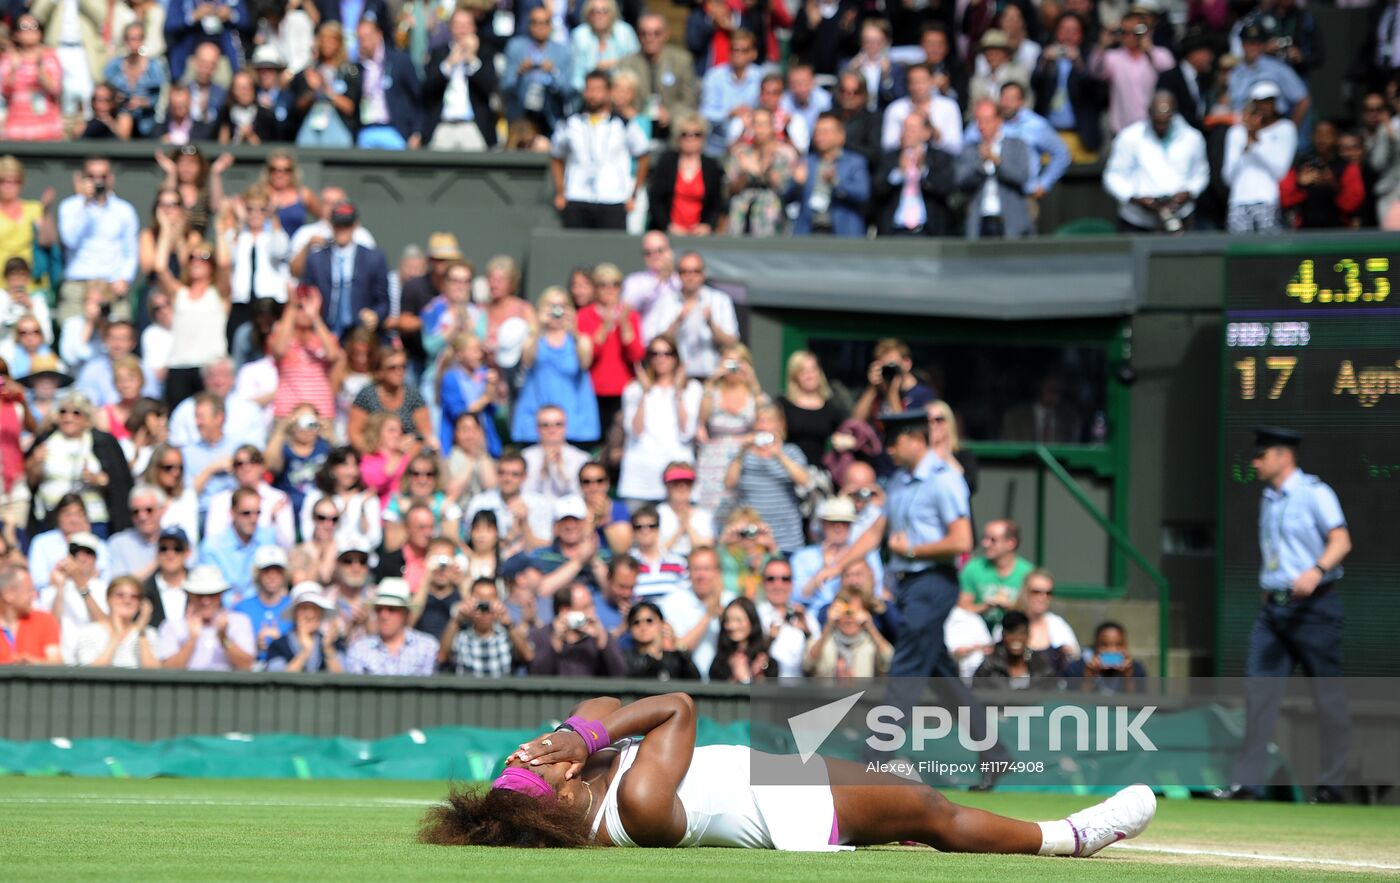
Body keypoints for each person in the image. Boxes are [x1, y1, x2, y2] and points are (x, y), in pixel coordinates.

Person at [425, 693, 1158, 855]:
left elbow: (605, 704)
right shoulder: (638, 803)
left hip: (776, 780)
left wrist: (574, 734)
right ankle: (1072, 836)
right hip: (790, 808)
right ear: (558, 793)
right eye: (530, 765)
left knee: (908, 802)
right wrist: (581, 735)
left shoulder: (584, 789)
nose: (527, 755)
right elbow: (677, 708)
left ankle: (886, 827)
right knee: (932, 809)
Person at [1217, 426, 1351, 803]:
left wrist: (1317, 570)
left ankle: (1332, 786)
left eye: (1262, 456)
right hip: (1274, 611)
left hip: (1315, 608)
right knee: (1259, 694)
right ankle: (1248, 784)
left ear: (1283, 457)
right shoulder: (1269, 499)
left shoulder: (1315, 494)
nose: (1255, 462)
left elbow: (1341, 539)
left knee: (1328, 698)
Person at [26, 389, 134, 537]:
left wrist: (100, 480)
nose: (68, 418)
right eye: (63, 412)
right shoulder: (46, 440)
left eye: (76, 413)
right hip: (52, 519)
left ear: (87, 418)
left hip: (93, 519)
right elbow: (29, 483)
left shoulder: (103, 442)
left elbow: (121, 481)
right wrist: (35, 463)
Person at [551, 69, 650, 230]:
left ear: (608, 92)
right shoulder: (570, 123)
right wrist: (561, 191)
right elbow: (556, 156)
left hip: (613, 198)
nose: (593, 95)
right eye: (589, 89)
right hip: (577, 197)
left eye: (598, 89)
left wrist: (633, 194)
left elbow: (643, 156)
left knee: (611, 252)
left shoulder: (624, 124)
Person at [1103, 90, 1210, 233]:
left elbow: (1201, 173)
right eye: (1157, 119)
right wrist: (1133, 197)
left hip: (1180, 216)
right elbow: (1113, 175)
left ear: (1175, 113)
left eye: (1166, 118)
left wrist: (1189, 192)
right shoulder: (1129, 136)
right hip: (1138, 220)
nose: (1162, 123)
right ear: (1149, 112)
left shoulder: (1192, 137)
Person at [617, 336, 701, 505]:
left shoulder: (692, 389)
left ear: (676, 357)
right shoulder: (634, 389)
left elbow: (687, 432)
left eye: (666, 353)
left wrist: (678, 394)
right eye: (655, 354)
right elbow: (635, 431)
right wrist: (644, 394)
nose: (661, 358)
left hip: (677, 475)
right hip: (640, 476)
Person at [56, 157, 139, 324]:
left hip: (112, 285)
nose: (98, 182)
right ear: (81, 179)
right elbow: (70, 240)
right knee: (73, 338)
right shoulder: (70, 207)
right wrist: (85, 205)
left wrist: (125, 278)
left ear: (111, 178)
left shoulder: (124, 210)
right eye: (92, 176)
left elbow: (131, 250)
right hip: (77, 285)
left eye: (103, 176)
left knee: (117, 337)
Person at [511, 289, 599, 445]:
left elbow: (585, 363)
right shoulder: (533, 338)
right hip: (536, 411)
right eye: (551, 306)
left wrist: (574, 330)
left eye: (561, 306)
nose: (556, 311)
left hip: (573, 414)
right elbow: (526, 361)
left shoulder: (580, 339)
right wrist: (539, 327)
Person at [641, 253, 738, 383]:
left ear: (703, 273)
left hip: (713, 376)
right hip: (678, 379)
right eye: (685, 272)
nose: (690, 276)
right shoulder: (666, 301)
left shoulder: (720, 300)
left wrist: (712, 324)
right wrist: (677, 322)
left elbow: (732, 342)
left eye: (695, 271)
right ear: (678, 275)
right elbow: (657, 344)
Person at [1222, 81, 1298, 234]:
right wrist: (1246, 140)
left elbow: (1279, 172)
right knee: (1240, 252)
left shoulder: (1286, 129)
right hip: (1238, 201)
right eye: (1259, 103)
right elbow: (1228, 176)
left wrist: (1255, 141)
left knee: (1270, 252)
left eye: (1269, 102)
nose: (1264, 107)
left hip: (1268, 199)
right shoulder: (1236, 133)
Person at [956, 99, 1034, 240]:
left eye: (986, 121)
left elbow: (1022, 177)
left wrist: (997, 163)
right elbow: (961, 181)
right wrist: (981, 165)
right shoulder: (970, 150)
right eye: (978, 121)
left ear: (998, 121)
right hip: (980, 222)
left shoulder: (1016, 145)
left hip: (1010, 221)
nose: (982, 126)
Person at [1033, 13, 1104, 163]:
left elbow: (1099, 94)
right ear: (1056, 32)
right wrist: (1044, 63)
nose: (1068, 35)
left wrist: (1079, 65)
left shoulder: (1090, 56)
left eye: (1074, 31)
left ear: (1082, 34)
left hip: (1081, 136)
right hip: (1050, 135)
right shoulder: (1046, 56)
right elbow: (1035, 88)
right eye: (1064, 30)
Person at [157, 564, 256, 671]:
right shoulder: (171, 625)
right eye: (200, 595)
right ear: (190, 595)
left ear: (220, 595)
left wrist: (223, 638)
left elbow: (247, 665)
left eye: (212, 595)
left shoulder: (239, 621)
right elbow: (168, 669)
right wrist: (192, 639)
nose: (206, 601)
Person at [1090, 12, 1176, 136]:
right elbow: (1095, 71)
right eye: (1124, 32)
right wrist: (1103, 44)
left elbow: (1169, 73)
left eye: (1135, 32)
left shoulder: (1160, 54)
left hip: (1154, 129)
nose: (1129, 37)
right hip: (1122, 130)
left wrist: (1149, 49)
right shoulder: (1113, 57)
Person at [424, 8, 498, 151]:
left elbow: (490, 88)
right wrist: (449, 64)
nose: (462, 29)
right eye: (458, 25)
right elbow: (427, 88)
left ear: (473, 28)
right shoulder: (439, 53)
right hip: (443, 125)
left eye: (466, 25)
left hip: (473, 125)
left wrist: (472, 59)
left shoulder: (484, 52)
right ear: (451, 28)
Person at [619, 13, 697, 147]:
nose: (650, 38)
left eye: (656, 33)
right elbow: (619, 97)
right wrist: (633, 113)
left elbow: (690, 99)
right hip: (638, 127)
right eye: (645, 33)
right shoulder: (628, 63)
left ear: (666, 34)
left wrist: (670, 113)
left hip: (672, 129)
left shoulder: (682, 61)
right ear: (639, 36)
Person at [875, 111, 957, 237]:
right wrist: (898, 172)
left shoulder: (939, 157)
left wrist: (924, 170)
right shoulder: (889, 157)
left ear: (926, 133)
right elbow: (877, 190)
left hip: (928, 230)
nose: (907, 133)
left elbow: (947, 188)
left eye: (912, 129)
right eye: (905, 128)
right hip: (895, 230)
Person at [789, 113, 869, 237]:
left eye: (825, 132)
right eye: (817, 132)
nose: (820, 136)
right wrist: (797, 184)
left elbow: (862, 194)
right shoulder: (807, 162)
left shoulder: (854, 162)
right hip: (810, 232)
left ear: (840, 136)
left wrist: (836, 182)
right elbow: (787, 198)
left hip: (843, 232)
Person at [724, 108, 801, 237]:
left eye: (764, 124)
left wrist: (759, 171)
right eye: (756, 124)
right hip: (742, 215)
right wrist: (743, 174)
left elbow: (788, 189)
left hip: (771, 218)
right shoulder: (741, 153)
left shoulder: (785, 154)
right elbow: (729, 190)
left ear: (772, 126)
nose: (760, 129)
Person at [353, 13, 422, 150]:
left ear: (378, 35)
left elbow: (418, 99)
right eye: (360, 39)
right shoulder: (357, 69)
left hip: (395, 130)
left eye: (366, 37)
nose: (363, 43)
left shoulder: (399, 62)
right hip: (366, 130)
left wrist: (417, 132)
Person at [440, 576, 533, 676]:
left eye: (488, 604)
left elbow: (528, 656)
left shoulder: (507, 633)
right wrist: (457, 619)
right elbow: (442, 657)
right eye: (480, 604)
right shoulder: (460, 634)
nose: (484, 611)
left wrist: (509, 624)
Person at [345, 577, 439, 676]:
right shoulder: (359, 649)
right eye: (379, 609)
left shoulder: (427, 647)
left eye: (392, 609)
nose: (384, 615)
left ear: (405, 614)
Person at [290, 21, 363, 148]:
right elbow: (297, 107)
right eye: (323, 40)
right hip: (311, 126)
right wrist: (313, 93)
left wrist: (325, 90)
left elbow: (350, 108)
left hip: (339, 127)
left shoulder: (349, 72)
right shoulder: (309, 71)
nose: (326, 44)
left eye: (331, 40)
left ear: (339, 43)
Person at [648, 116, 724, 236]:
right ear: (678, 137)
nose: (690, 138)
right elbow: (655, 199)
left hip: (699, 234)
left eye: (696, 134)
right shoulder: (666, 162)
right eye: (685, 134)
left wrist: (707, 225)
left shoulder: (711, 166)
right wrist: (668, 225)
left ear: (703, 137)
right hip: (669, 232)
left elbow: (717, 202)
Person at [529, 582, 627, 676]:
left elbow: (620, 673)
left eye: (592, 606)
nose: (592, 613)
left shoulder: (598, 636)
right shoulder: (541, 635)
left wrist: (602, 640)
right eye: (586, 607)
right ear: (565, 611)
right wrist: (556, 643)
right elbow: (537, 675)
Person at [502, 7, 574, 133]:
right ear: (529, 25)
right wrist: (519, 72)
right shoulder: (516, 47)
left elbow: (568, 91)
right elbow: (505, 86)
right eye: (535, 22)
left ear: (551, 26)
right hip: (522, 114)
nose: (540, 27)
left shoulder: (562, 52)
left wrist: (554, 72)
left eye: (545, 23)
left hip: (550, 115)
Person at [347, 347, 432, 455]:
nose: (399, 371)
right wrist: (376, 453)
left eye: (403, 367)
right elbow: (354, 433)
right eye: (392, 368)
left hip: (407, 457)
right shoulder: (367, 395)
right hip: (374, 456)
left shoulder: (413, 395)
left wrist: (405, 456)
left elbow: (425, 433)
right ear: (379, 371)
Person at [467, 451, 551, 557]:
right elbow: (473, 545)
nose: (507, 479)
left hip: (528, 564)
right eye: (502, 473)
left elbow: (544, 549)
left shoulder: (540, 503)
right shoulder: (480, 502)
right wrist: (511, 536)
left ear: (524, 476)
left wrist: (524, 523)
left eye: (514, 474)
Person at [1229, 23, 1308, 129]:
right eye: (1250, 43)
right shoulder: (1235, 72)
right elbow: (1232, 103)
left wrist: (1292, 128)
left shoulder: (1277, 68)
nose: (1254, 47)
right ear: (1242, 44)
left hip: (1271, 125)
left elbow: (1303, 99)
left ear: (1263, 45)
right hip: (1241, 126)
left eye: (1258, 43)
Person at [699, 29, 763, 159]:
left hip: (751, 144)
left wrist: (751, 115)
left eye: (743, 50)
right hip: (717, 145)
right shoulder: (714, 76)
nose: (738, 54)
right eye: (734, 50)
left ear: (753, 54)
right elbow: (704, 112)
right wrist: (729, 114)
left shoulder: (761, 77)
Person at [959, 518, 1034, 629]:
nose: (985, 544)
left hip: (1014, 633)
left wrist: (1009, 606)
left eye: (993, 540)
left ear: (1010, 543)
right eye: (985, 538)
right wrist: (986, 606)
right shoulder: (973, 568)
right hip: (977, 634)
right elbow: (962, 609)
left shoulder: (1028, 573)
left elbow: (1033, 614)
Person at [0, 15, 64, 142]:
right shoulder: (9, 58)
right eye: (23, 27)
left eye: (34, 27)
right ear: (15, 33)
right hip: (17, 128)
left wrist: (39, 67)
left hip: (46, 128)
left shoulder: (50, 56)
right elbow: (5, 90)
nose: (30, 31)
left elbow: (54, 89)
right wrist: (14, 68)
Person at [804, 588, 894, 678]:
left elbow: (889, 661)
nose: (849, 618)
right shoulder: (822, 640)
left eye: (854, 611)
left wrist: (870, 626)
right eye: (844, 611)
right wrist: (828, 625)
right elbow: (808, 664)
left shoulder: (871, 643)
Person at [265, 582, 345, 672]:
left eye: (315, 609)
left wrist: (328, 649)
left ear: (321, 614)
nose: (310, 615)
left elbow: (343, 679)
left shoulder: (333, 643)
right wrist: (305, 652)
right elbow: (277, 679)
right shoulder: (279, 645)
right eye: (304, 609)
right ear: (295, 614)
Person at [1008, 567, 1079, 667]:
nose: (1043, 597)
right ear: (1024, 592)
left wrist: (1068, 654)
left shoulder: (1058, 625)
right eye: (1036, 592)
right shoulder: (1010, 623)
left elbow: (1076, 659)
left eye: (1048, 593)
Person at [233, 545, 292, 661]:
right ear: (258, 574)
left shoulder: (294, 607)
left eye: (277, 571)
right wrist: (254, 645)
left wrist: (280, 643)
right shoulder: (242, 608)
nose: (272, 576)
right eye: (266, 571)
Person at [0, 158, 56, 278]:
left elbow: (47, 242)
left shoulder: (34, 208)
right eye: (3, 181)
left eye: (15, 181)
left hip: (30, 281)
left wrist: (46, 211)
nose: (9, 186)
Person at [974, 609, 1059, 688]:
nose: (1016, 638)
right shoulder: (989, 667)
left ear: (1028, 635)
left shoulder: (1041, 666)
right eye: (1011, 633)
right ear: (1003, 635)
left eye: (1021, 633)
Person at [106, 484, 168, 582]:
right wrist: (156, 563)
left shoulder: (176, 541)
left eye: (149, 510)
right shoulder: (119, 543)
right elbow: (120, 585)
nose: (142, 517)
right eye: (135, 512)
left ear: (163, 510)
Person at [622, 600, 700, 679]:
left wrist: (677, 643)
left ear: (662, 623)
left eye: (649, 620)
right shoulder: (624, 658)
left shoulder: (675, 658)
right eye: (636, 622)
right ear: (630, 628)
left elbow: (696, 680)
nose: (643, 626)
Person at [0, 564, 61, 664]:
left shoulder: (44, 620)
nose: (35, 595)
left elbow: (56, 662)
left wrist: (32, 664)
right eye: (29, 590)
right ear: (8, 595)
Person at [1063, 620, 1147, 692]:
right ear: (1095, 646)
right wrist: (1088, 678)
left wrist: (1128, 678)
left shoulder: (1136, 670)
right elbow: (1074, 704)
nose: (1112, 651)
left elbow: (1138, 705)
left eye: (1119, 645)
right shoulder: (1077, 668)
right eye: (1104, 645)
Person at [708, 596, 769, 683]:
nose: (732, 626)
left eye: (738, 620)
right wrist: (734, 678)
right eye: (728, 620)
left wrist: (755, 676)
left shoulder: (765, 661)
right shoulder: (720, 662)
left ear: (752, 621)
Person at [141, 525, 191, 628]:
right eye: (163, 548)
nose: (170, 554)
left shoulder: (201, 589)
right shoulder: (144, 591)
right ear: (157, 553)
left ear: (188, 553)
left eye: (177, 548)